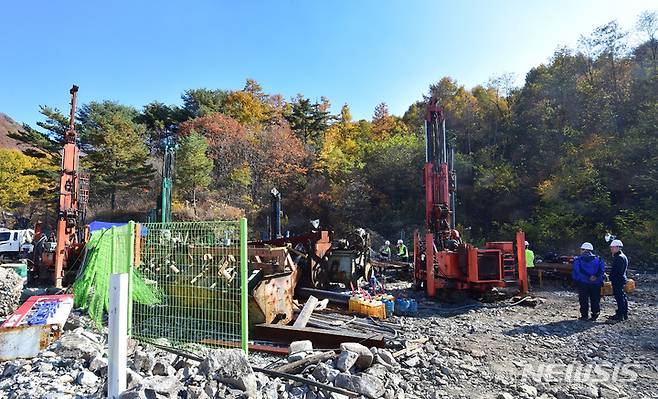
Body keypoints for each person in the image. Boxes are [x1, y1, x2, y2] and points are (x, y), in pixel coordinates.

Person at [572, 242, 605, 321]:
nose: (580, 251)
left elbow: (578, 271)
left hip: (583, 283)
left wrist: (588, 277)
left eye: (581, 249)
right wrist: (595, 276)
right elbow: (602, 270)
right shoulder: (599, 259)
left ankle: (584, 316)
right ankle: (595, 315)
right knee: (595, 299)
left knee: (583, 299)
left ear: (584, 250)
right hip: (596, 283)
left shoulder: (578, 260)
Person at [608, 239, 628, 322]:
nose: (611, 249)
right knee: (622, 297)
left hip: (618, 280)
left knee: (619, 297)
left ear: (617, 247)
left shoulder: (619, 258)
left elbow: (617, 271)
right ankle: (623, 314)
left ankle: (620, 315)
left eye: (612, 247)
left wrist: (610, 277)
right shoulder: (622, 256)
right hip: (620, 279)